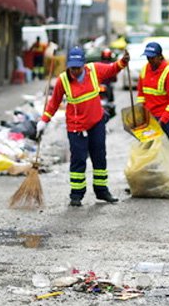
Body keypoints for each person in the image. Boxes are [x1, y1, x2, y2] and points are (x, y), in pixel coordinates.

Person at [36, 47, 130, 207]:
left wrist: (123, 62)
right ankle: (76, 195)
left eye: (78, 67)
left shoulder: (94, 70)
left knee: (99, 158)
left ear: (84, 64)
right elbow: (54, 102)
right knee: (78, 161)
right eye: (72, 67)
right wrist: (44, 120)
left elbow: (112, 69)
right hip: (76, 127)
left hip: (96, 123)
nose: (75, 71)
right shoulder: (63, 80)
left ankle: (102, 191)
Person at [136, 41, 169, 145]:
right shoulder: (144, 69)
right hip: (149, 116)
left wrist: (162, 121)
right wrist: (140, 111)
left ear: (160, 57)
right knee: (148, 150)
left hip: (166, 118)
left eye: (152, 58)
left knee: (165, 150)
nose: (149, 60)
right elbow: (141, 94)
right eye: (147, 57)